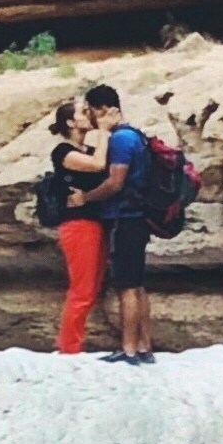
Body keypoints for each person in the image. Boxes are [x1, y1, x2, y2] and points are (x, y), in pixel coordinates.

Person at [70, 84, 158, 364]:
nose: (90, 117)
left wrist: (86, 198)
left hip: (124, 218)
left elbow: (115, 182)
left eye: (90, 111)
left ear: (102, 110)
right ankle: (144, 347)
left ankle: (129, 349)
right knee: (138, 284)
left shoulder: (120, 140)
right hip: (139, 218)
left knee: (126, 286)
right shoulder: (137, 136)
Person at [49, 102, 111, 356]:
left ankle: (70, 344)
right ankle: (69, 347)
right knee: (82, 290)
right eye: (81, 112)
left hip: (96, 223)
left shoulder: (90, 149)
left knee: (92, 287)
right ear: (70, 123)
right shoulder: (63, 152)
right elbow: (98, 166)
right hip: (78, 226)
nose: (88, 114)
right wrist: (104, 130)